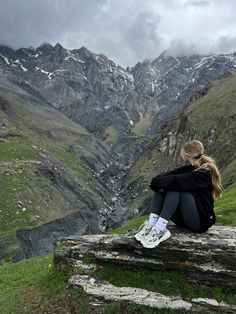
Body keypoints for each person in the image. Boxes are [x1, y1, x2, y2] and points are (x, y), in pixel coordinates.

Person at [134, 139, 223, 249]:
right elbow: (162, 178)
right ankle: (152, 225)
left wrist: (160, 183)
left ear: (187, 154)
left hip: (200, 222)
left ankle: (160, 229)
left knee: (174, 189)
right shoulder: (190, 168)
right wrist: (156, 184)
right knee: (164, 187)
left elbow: (177, 181)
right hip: (185, 219)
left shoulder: (204, 173)